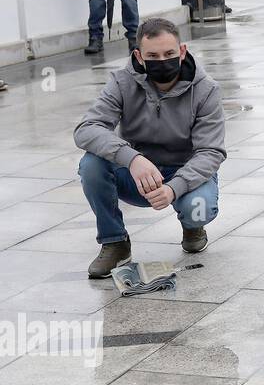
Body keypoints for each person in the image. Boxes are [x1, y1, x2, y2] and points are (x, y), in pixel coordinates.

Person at [74, 17, 225, 278]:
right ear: (139, 56)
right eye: (152, 55)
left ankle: (192, 226)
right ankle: (115, 242)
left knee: (197, 207)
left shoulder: (206, 89)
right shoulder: (122, 82)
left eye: (169, 53)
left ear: (182, 51)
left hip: (186, 173)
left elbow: (211, 152)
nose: (162, 60)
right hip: (140, 175)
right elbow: (86, 129)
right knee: (91, 164)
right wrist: (132, 158)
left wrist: (174, 188)